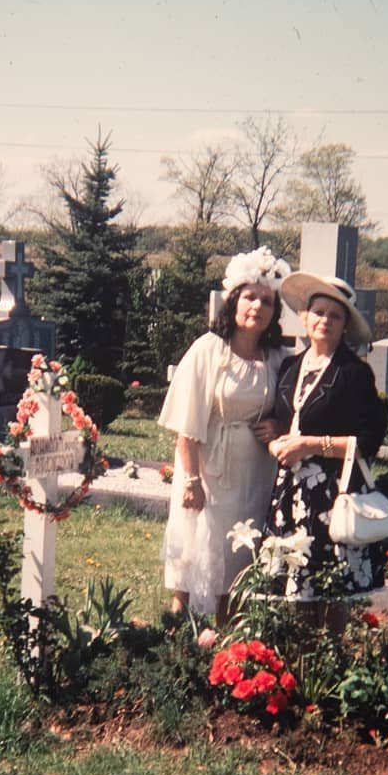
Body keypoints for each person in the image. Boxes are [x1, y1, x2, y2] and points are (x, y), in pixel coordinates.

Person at [157, 246, 291, 621]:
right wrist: (192, 479)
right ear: (233, 301)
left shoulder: (278, 358)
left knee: (239, 554)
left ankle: (227, 631)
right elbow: (187, 423)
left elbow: (294, 410)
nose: (257, 306)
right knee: (197, 548)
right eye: (250, 297)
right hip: (208, 466)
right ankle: (179, 630)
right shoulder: (208, 350)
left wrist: (279, 426)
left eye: (267, 301)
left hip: (255, 471)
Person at [264, 272, 388, 632]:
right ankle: (303, 666)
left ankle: (330, 662)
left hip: (331, 492)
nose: (325, 321)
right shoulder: (289, 367)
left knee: (330, 588)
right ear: (304, 317)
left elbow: (369, 439)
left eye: (335, 316)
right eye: (318, 312)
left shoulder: (354, 373)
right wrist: (275, 440)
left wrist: (310, 445)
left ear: (345, 325)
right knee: (297, 588)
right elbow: (278, 421)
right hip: (292, 494)